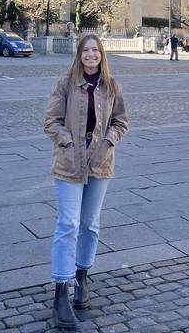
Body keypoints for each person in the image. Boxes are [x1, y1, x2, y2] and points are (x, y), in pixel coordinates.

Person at [44, 34, 128, 330]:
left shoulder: (111, 85)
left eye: (96, 50)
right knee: (67, 224)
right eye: (86, 51)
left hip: (100, 162)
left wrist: (108, 141)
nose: (91, 55)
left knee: (90, 223)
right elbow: (50, 121)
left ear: (102, 55)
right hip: (69, 163)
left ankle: (82, 276)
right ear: (79, 55)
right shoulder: (65, 84)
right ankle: (61, 291)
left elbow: (121, 121)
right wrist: (67, 141)